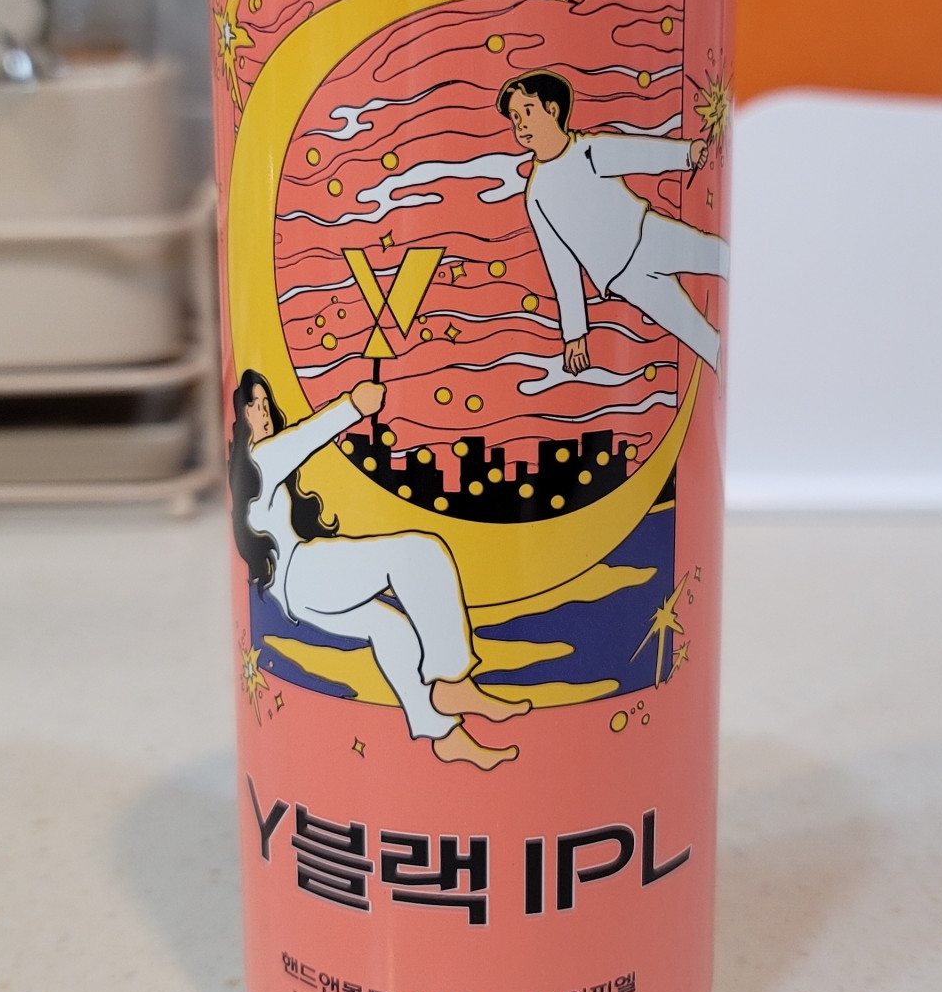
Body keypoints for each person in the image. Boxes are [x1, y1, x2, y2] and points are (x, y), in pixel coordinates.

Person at [229, 369, 529, 769]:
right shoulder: (262, 460)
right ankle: (452, 678)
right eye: (254, 405)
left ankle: (443, 734)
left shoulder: (257, 468)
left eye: (266, 403)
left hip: (294, 589)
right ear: (241, 415)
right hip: (303, 573)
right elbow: (305, 438)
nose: (264, 411)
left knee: (392, 630)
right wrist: (353, 406)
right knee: (422, 552)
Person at [497, 71, 730, 372]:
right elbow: (561, 264)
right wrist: (574, 334)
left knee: (717, 255)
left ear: (552, 110)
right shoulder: (536, 194)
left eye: (527, 112)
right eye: (515, 118)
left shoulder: (587, 151)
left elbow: (636, 154)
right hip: (624, 277)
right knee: (694, 331)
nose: (520, 125)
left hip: (650, 234)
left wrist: (685, 154)